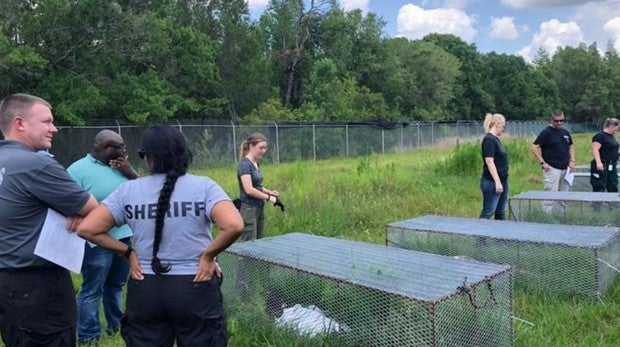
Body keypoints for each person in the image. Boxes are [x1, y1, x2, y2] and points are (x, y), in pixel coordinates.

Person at [77, 125, 243, 346]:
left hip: (145, 285)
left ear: (148, 158)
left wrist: (127, 252)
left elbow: (87, 229)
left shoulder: (128, 191)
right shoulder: (204, 187)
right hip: (195, 283)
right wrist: (208, 256)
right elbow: (233, 225)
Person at [0, 93, 98, 347]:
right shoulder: (35, 165)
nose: (54, 128)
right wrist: (74, 209)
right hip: (38, 286)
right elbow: (93, 208)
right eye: (46, 122)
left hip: (6, 284)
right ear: (19, 123)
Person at [67, 130, 139, 344]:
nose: (124, 151)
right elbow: (68, 202)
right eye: (119, 146)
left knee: (116, 285)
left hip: (123, 237)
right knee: (93, 287)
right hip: (95, 241)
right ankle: (89, 336)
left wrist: (130, 171)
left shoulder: (122, 167)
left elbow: (146, 191)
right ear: (104, 148)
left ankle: (115, 327)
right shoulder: (77, 170)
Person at [530, 110, 576, 213]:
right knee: (549, 195)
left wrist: (572, 161)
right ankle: (547, 217)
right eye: (557, 121)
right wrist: (542, 162)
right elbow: (534, 147)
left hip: (565, 168)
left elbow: (571, 146)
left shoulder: (565, 132)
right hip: (552, 168)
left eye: (561, 120)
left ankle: (562, 217)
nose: (559, 123)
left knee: (563, 196)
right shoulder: (546, 132)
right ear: (552, 120)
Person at [237, 132, 279, 241]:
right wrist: (269, 198)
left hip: (259, 207)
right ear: (251, 146)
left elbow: (257, 186)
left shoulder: (256, 163)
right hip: (249, 208)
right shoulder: (244, 165)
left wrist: (269, 192)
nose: (264, 151)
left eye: (265, 148)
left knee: (259, 242)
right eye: (261, 148)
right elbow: (249, 190)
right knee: (249, 244)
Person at [479, 113, 509, 220]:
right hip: (492, 182)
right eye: (503, 126)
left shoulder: (496, 139)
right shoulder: (489, 140)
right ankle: (478, 236)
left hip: (503, 180)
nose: (503, 128)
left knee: (501, 211)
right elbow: (489, 161)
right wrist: (497, 181)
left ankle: (501, 236)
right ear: (497, 124)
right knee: (489, 211)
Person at [590, 117, 620, 192]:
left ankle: (612, 202)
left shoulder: (612, 137)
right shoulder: (600, 136)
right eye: (618, 127)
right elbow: (595, 149)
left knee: (613, 185)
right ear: (612, 126)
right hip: (602, 164)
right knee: (600, 186)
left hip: (611, 165)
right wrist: (598, 162)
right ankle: (599, 202)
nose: (618, 129)